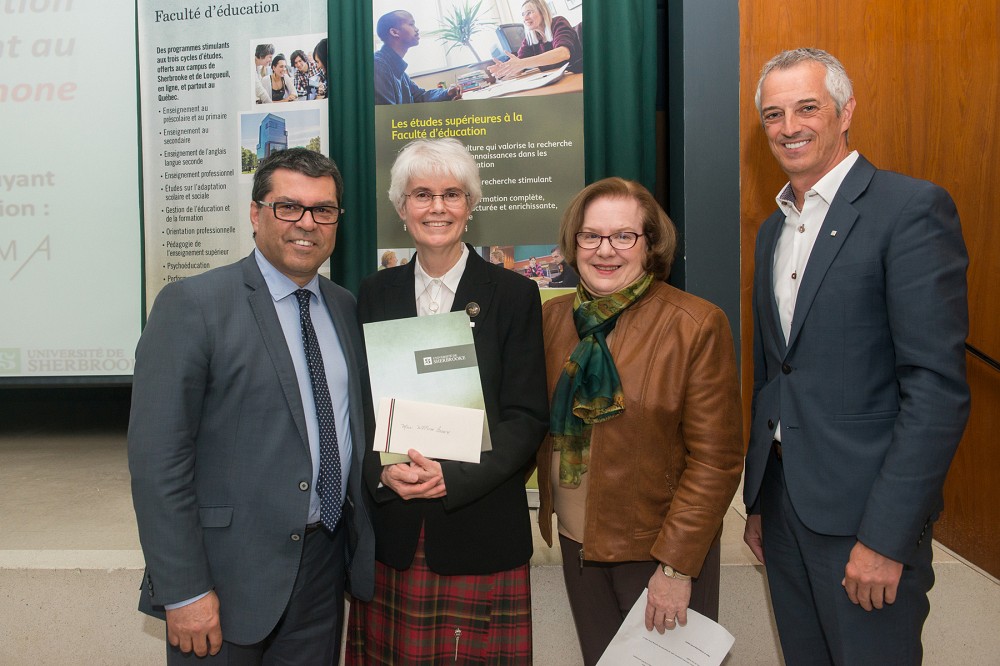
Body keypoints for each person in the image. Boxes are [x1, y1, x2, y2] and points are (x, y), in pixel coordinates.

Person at [743, 48, 970, 664]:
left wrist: (886, 537)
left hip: (865, 521)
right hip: (786, 510)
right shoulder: (774, 230)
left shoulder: (909, 210)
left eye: (806, 108)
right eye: (773, 114)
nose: (789, 127)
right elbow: (774, 375)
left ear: (846, 113)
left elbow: (936, 390)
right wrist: (760, 501)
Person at [128, 148, 375, 663]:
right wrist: (184, 591)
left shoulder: (345, 307)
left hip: (323, 573)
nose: (307, 223)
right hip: (224, 582)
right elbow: (158, 462)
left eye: (323, 210)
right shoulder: (193, 305)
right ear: (255, 212)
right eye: (289, 207)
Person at [346, 138, 549, 663]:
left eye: (451, 194)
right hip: (394, 529)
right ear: (401, 208)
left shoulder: (514, 295)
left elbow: (527, 418)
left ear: (471, 205)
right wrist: (379, 471)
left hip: (477, 527)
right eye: (422, 194)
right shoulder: (373, 293)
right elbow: (359, 408)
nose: (437, 207)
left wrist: (451, 479)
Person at [536, 177, 743, 665]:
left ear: (650, 244)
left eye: (623, 236)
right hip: (577, 545)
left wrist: (675, 568)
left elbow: (716, 461)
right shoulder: (554, 319)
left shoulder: (694, 325)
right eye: (591, 236)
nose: (605, 250)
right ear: (574, 242)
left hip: (656, 554)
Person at [374, 10, 462, 105]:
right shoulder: (378, 66)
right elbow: (387, 116)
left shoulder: (396, 67)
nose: (417, 29)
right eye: (411, 24)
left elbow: (419, 96)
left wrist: (447, 92)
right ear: (394, 32)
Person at [488, 0, 583, 80]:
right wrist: (505, 68)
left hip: (576, 75)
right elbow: (519, 66)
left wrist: (522, 63)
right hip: (555, 79)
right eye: (523, 14)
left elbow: (563, 53)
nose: (525, 18)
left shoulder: (558, 22)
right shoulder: (530, 39)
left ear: (542, 12)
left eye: (529, 12)